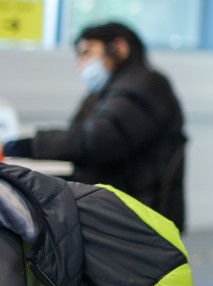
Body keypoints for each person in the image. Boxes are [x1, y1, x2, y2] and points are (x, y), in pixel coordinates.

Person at [2, 21, 187, 231]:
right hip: (116, 206)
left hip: (138, 213)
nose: (81, 65)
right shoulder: (107, 91)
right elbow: (76, 135)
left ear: (119, 47)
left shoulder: (146, 85)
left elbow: (97, 141)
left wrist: (18, 147)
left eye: (87, 53)